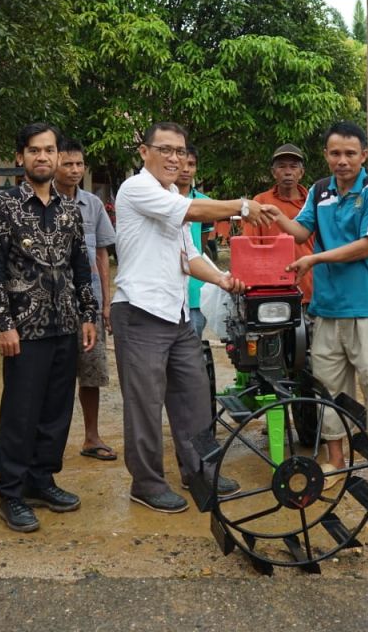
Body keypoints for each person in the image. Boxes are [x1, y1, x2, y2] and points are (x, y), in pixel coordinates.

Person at [110, 121, 272, 513]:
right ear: (144, 152)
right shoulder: (137, 189)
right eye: (164, 149)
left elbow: (189, 257)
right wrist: (242, 206)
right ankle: (146, 483)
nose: (174, 158)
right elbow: (193, 210)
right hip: (140, 311)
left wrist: (221, 278)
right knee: (145, 405)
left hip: (178, 313)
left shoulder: (169, 193)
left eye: (180, 151)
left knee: (194, 398)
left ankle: (200, 470)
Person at [269, 121, 368, 501]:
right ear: (326, 156)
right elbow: (299, 231)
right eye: (334, 153)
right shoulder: (319, 190)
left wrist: (315, 259)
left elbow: (366, 246)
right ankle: (335, 461)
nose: (342, 161)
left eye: (349, 153)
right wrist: (274, 216)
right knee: (329, 388)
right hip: (327, 308)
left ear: (363, 156)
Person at [0, 123, 98, 533]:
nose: (43, 157)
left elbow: (80, 265)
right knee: (21, 412)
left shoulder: (70, 209)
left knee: (55, 411)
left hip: (65, 323)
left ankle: (41, 481)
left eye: (49, 150)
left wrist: (89, 314)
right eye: (35, 151)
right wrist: (2, 322)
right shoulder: (5, 204)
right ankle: (10, 494)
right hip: (24, 328)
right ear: (21, 157)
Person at [53, 139, 118, 463]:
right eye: (68, 164)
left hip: (87, 307)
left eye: (79, 164)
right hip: (50, 307)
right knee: (54, 377)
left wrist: (106, 304)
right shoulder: (40, 202)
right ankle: (49, 443)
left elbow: (103, 255)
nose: (75, 170)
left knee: (91, 373)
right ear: (54, 164)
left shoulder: (92, 205)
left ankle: (91, 437)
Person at [247, 143, 314, 305]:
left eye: (293, 167)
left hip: (312, 286)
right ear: (273, 173)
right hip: (273, 288)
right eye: (282, 167)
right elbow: (251, 244)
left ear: (301, 172)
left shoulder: (313, 201)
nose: (288, 172)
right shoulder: (261, 202)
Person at [175, 144, 214, 338]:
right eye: (182, 164)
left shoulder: (205, 203)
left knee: (192, 349)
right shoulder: (160, 199)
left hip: (195, 290)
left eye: (191, 164)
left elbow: (201, 244)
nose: (186, 169)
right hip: (166, 289)